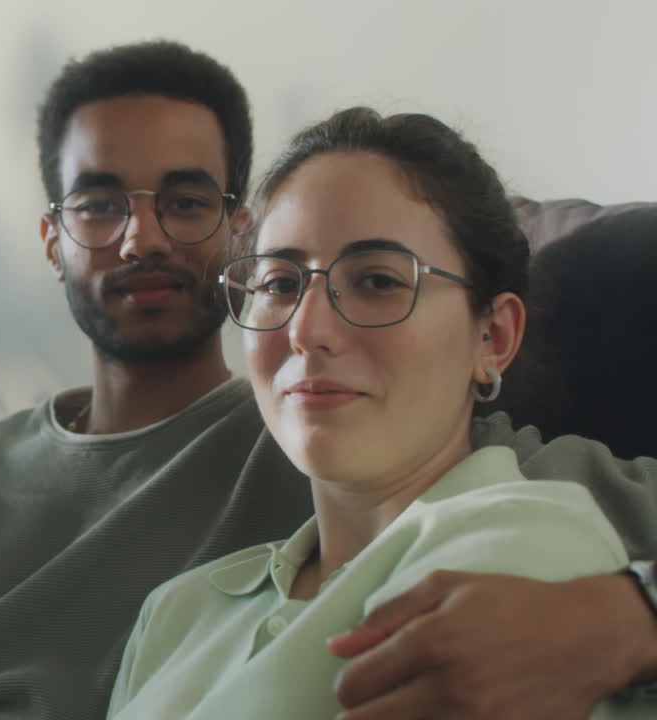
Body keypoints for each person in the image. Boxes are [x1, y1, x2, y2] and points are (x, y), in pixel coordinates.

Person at [0, 41, 657, 720]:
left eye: (184, 199)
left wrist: (621, 613)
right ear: (53, 238)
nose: (141, 234)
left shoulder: (358, 440)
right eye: (99, 204)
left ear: (234, 229)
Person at [106, 106, 653, 719]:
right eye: (281, 284)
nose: (307, 331)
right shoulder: (177, 612)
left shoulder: (528, 558)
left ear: (492, 337)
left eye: (378, 281)